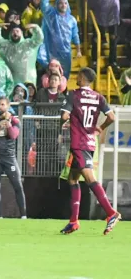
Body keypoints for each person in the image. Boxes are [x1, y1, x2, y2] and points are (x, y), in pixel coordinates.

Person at [60, 67, 121, 235]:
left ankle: (111, 213)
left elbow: (64, 116)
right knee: (73, 179)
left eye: (78, 76)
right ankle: (73, 222)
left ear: (82, 77)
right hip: (89, 141)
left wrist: (64, 122)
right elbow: (112, 117)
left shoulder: (74, 95)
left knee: (89, 178)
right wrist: (99, 128)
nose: (76, 78)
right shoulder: (98, 97)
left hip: (79, 143)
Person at [0, 97, 27, 219]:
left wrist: (8, 125)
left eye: (2, 104)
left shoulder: (15, 121)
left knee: (18, 185)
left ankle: (23, 215)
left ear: (8, 106)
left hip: (9, 157)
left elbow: (14, 135)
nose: (0, 107)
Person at [39, 0, 80, 78]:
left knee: (64, 77)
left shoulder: (72, 20)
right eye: (60, 3)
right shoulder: (52, 15)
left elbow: (75, 35)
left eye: (65, 3)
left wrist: (78, 50)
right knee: (52, 76)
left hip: (66, 52)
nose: (63, 5)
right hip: (52, 51)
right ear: (56, 5)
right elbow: (44, 3)